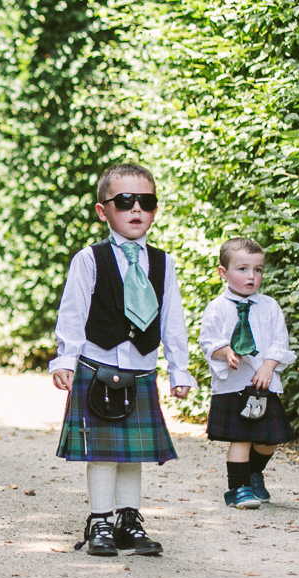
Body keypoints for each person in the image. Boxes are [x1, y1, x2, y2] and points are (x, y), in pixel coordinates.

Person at [50, 163, 195, 557]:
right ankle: (100, 520)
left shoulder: (163, 262)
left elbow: (173, 320)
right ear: (103, 211)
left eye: (146, 202)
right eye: (125, 201)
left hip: (143, 368)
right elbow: (73, 312)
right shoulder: (90, 258)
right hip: (98, 366)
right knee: (103, 452)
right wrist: (66, 358)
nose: (136, 210)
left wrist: (179, 370)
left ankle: (129, 520)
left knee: (134, 453)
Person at [198, 238, 296, 508]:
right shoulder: (217, 307)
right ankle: (238, 490)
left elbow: (280, 341)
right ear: (223, 273)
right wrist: (225, 351)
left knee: (268, 441)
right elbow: (208, 341)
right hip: (233, 385)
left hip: (262, 384)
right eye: (242, 269)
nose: (251, 276)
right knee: (241, 438)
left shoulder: (269, 306)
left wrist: (269, 364)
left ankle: (254, 474)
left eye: (258, 270)